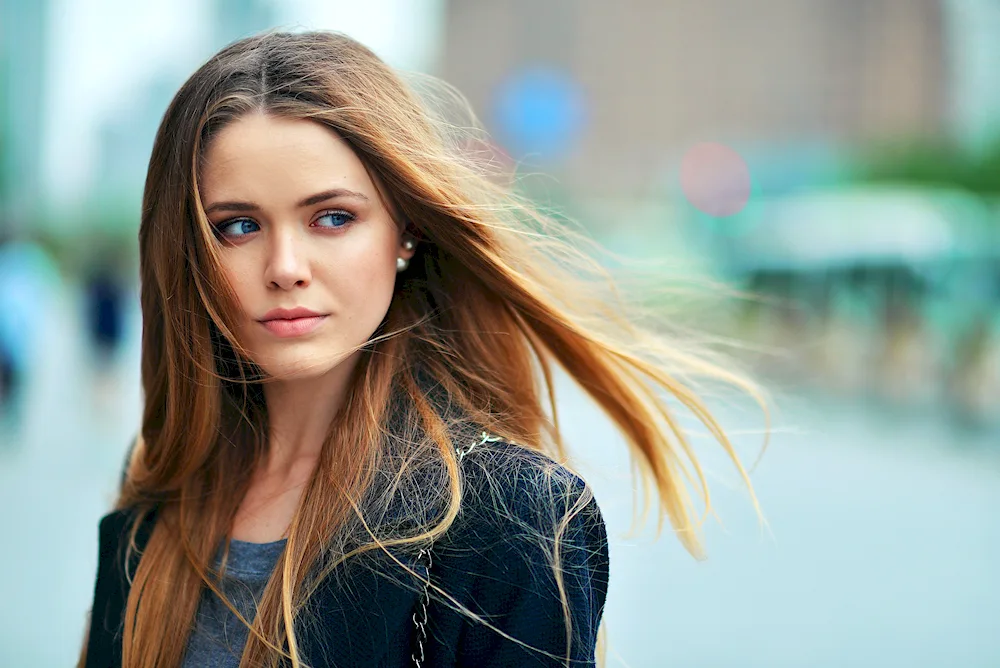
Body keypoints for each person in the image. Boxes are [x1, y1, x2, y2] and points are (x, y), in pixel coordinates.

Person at [78, 30, 764, 668]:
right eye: (237, 226)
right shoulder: (153, 508)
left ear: (404, 231)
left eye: (333, 218)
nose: (285, 266)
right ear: (189, 251)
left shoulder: (509, 519)